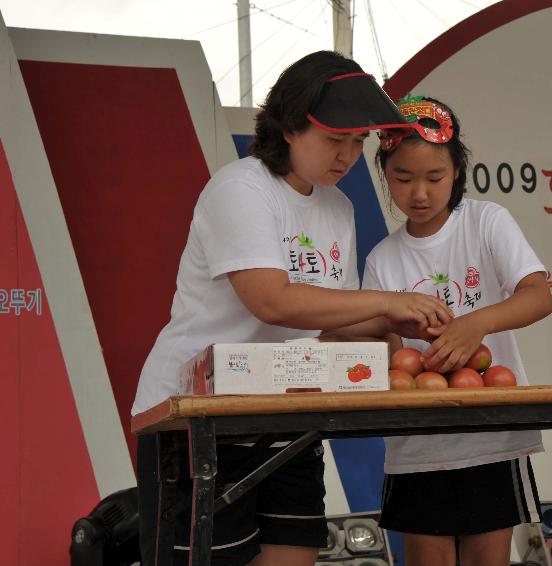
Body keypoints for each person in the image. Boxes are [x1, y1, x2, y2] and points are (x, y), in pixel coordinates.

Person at [131, 52, 453, 566]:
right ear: (287, 126)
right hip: (197, 414)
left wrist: (401, 327)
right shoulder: (241, 188)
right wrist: (388, 303)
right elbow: (272, 301)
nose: (346, 157)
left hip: (287, 411)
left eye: (357, 142)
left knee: (294, 555)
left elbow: (334, 318)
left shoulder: (338, 207)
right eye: (334, 140)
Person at [363, 94, 552, 566]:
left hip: (492, 435)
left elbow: (538, 296)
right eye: (403, 179)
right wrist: (393, 347)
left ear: (457, 172)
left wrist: (477, 324)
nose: (420, 193)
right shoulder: (382, 259)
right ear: (386, 176)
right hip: (417, 442)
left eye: (435, 177)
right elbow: (387, 351)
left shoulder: (487, 222)